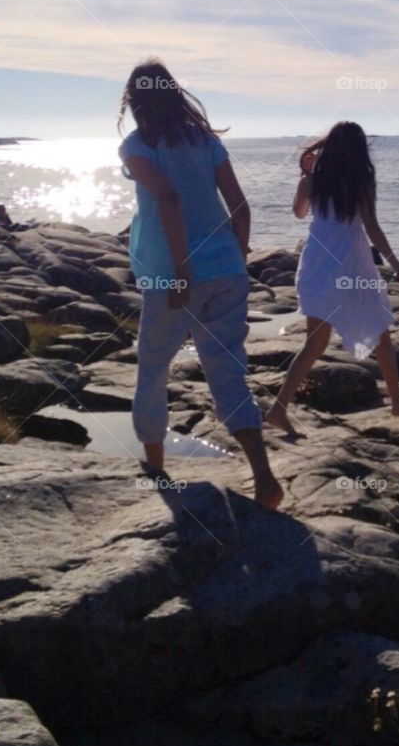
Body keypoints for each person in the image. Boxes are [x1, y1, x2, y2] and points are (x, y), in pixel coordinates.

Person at [118, 57, 283, 510]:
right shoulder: (204, 141)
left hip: (174, 275)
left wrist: (184, 270)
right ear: (174, 94)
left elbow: (168, 197)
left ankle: (155, 467)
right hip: (227, 270)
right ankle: (264, 478)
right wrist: (239, 254)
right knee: (228, 371)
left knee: (153, 369)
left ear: (134, 101)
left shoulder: (137, 144)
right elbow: (240, 207)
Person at [265, 121, 399, 437]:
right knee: (380, 330)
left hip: (319, 261)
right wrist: (397, 265)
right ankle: (396, 403)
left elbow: (298, 213)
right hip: (351, 263)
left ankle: (279, 409)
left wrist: (305, 179)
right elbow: (372, 228)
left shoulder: (315, 179)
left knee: (316, 342)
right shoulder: (361, 179)